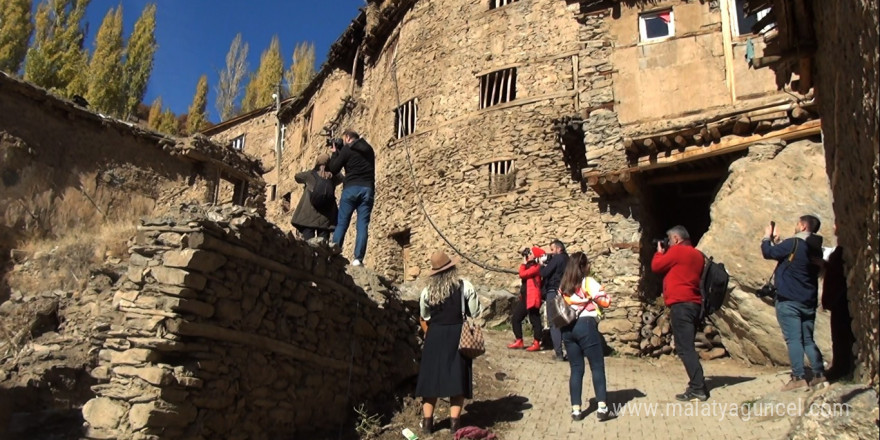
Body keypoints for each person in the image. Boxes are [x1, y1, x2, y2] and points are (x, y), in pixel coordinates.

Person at [415, 251, 482, 435]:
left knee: (431, 380)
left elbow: (425, 315)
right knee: (457, 378)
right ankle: (454, 425)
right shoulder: (464, 286)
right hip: (457, 335)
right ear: (452, 268)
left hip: (434, 335)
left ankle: (428, 425)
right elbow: (475, 312)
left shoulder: (427, 291)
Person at [762, 215, 826, 390]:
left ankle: (798, 377)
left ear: (804, 226)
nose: (796, 226)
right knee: (808, 339)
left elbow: (768, 253)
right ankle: (819, 374)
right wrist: (779, 242)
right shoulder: (815, 249)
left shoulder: (793, 243)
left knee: (793, 340)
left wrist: (767, 237)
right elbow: (794, 258)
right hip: (808, 301)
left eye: (798, 224)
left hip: (789, 300)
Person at [651, 225, 708, 402]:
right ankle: (696, 384)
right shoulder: (698, 255)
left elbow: (656, 266)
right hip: (694, 304)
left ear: (676, 239)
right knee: (688, 346)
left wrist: (659, 252)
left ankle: (698, 388)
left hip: (681, 305)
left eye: (669, 240)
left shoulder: (677, 252)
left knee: (684, 348)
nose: (667, 243)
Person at [558, 252, 613, 421]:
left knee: (576, 369)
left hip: (567, 328)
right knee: (597, 366)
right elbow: (606, 302)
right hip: (586, 325)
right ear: (583, 266)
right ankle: (602, 408)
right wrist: (593, 297)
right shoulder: (588, 282)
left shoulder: (563, 285)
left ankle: (576, 410)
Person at [325, 130, 376, 266]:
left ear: (347, 137)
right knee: (362, 225)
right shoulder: (369, 150)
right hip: (367, 189)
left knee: (342, 223)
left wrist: (336, 152)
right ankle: (358, 259)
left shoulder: (347, 150)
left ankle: (334, 253)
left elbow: (334, 168)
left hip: (351, 189)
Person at [822, 242, 854, 381]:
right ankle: (840, 366)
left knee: (841, 336)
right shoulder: (841, 250)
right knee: (839, 336)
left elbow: (837, 272)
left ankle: (841, 368)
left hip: (840, 300)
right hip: (838, 300)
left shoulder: (842, 251)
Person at [290, 154, 341, 241]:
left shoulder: (309, 175)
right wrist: (331, 169)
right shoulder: (332, 177)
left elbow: (297, 177)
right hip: (326, 218)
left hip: (308, 217)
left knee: (308, 244)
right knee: (323, 245)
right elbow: (341, 178)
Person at [508, 247, 545, 351]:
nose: (529, 254)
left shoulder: (537, 267)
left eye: (531, 253)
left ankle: (537, 342)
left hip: (532, 297)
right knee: (516, 318)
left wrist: (524, 264)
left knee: (535, 319)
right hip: (525, 297)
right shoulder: (531, 266)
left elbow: (522, 274)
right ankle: (519, 340)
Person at [540, 239, 569, 361]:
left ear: (558, 249)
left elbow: (545, 273)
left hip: (553, 291)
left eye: (552, 250)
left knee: (554, 323)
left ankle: (558, 353)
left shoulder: (557, 258)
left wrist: (541, 264)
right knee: (565, 321)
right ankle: (569, 351)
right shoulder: (568, 259)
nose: (551, 253)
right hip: (565, 292)